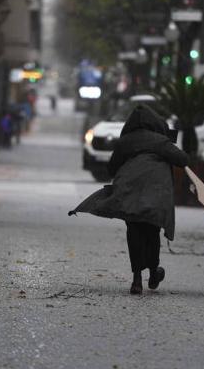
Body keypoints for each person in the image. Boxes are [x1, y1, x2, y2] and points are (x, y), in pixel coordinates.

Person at [69, 104, 189, 295]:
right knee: (152, 232)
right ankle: (153, 272)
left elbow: (112, 168)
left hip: (129, 195)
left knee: (134, 232)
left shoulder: (125, 142)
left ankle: (136, 280)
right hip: (154, 196)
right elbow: (183, 160)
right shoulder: (160, 142)